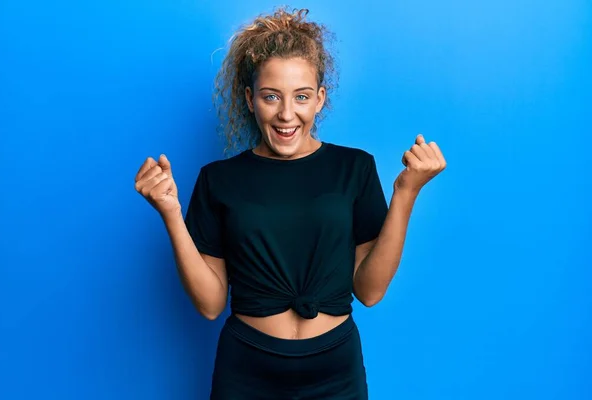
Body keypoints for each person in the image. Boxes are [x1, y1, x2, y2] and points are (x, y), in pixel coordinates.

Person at [134, 7, 446, 399]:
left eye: (300, 97)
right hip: (246, 369)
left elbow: (369, 291)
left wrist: (406, 192)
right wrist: (170, 214)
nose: (286, 114)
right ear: (250, 99)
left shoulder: (355, 167)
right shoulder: (218, 179)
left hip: (335, 370)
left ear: (319, 99)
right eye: (270, 97)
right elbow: (211, 304)